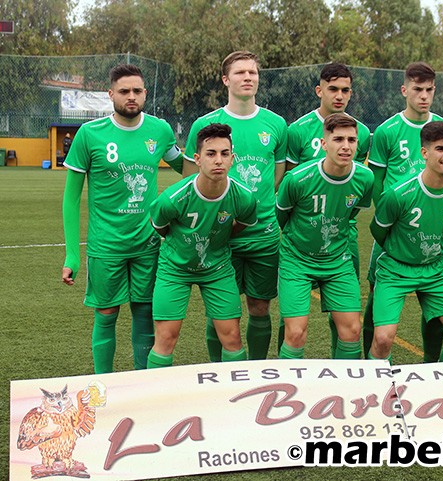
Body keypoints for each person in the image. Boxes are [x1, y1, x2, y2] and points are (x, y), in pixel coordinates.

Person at [62, 64, 184, 374]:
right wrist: (72, 254)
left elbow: (187, 169)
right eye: (124, 91)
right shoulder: (90, 135)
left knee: (145, 312)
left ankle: (142, 383)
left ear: (145, 93)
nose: (131, 97)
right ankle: (104, 385)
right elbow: (71, 198)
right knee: (106, 313)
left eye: (137, 91)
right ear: (111, 94)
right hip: (106, 244)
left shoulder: (160, 130)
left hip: (148, 242)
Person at [183, 51, 288, 361]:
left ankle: (256, 372)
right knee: (220, 311)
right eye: (240, 72)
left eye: (252, 73)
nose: (247, 77)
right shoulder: (205, 124)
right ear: (226, 80)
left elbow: (276, 178)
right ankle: (218, 372)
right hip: (219, 236)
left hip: (263, 234)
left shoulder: (276, 124)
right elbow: (191, 182)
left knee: (260, 306)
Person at [147, 123, 257, 368]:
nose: (218, 160)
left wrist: (216, 238)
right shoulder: (172, 199)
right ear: (197, 159)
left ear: (232, 159)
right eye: (211, 154)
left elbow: (242, 224)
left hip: (217, 268)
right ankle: (156, 400)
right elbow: (160, 226)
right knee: (166, 338)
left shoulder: (244, 197)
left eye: (224, 154)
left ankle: (234, 398)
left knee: (232, 338)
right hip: (175, 269)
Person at [364, 62, 443, 362]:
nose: (423, 96)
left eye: (429, 90)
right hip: (395, 225)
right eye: (417, 89)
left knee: (434, 304)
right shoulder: (388, 130)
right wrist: (386, 213)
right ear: (404, 90)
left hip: (430, 226)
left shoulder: (441, 128)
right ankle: (368, 363)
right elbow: (376, 179)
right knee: (377, 296)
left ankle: (431, 363)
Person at [284, 62, 372, 355]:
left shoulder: (361, 132)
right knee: (294, 328)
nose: (339, 95)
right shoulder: (296, 130)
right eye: (333, 89)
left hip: (341, 237)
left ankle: (342, 375)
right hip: (302, 236)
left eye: (345, 90)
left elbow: (356, 200)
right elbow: (289, 190)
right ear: (319, 90)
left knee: (347, 321)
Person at [368, 121, 443, 363]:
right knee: (383, 339)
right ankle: (380, 389)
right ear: (424, 153)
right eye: (440, 149)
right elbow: (378, 231)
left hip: (436, 270)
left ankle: (442, 386)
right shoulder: (398, 194)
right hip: (396, 269)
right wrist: (401, 251)